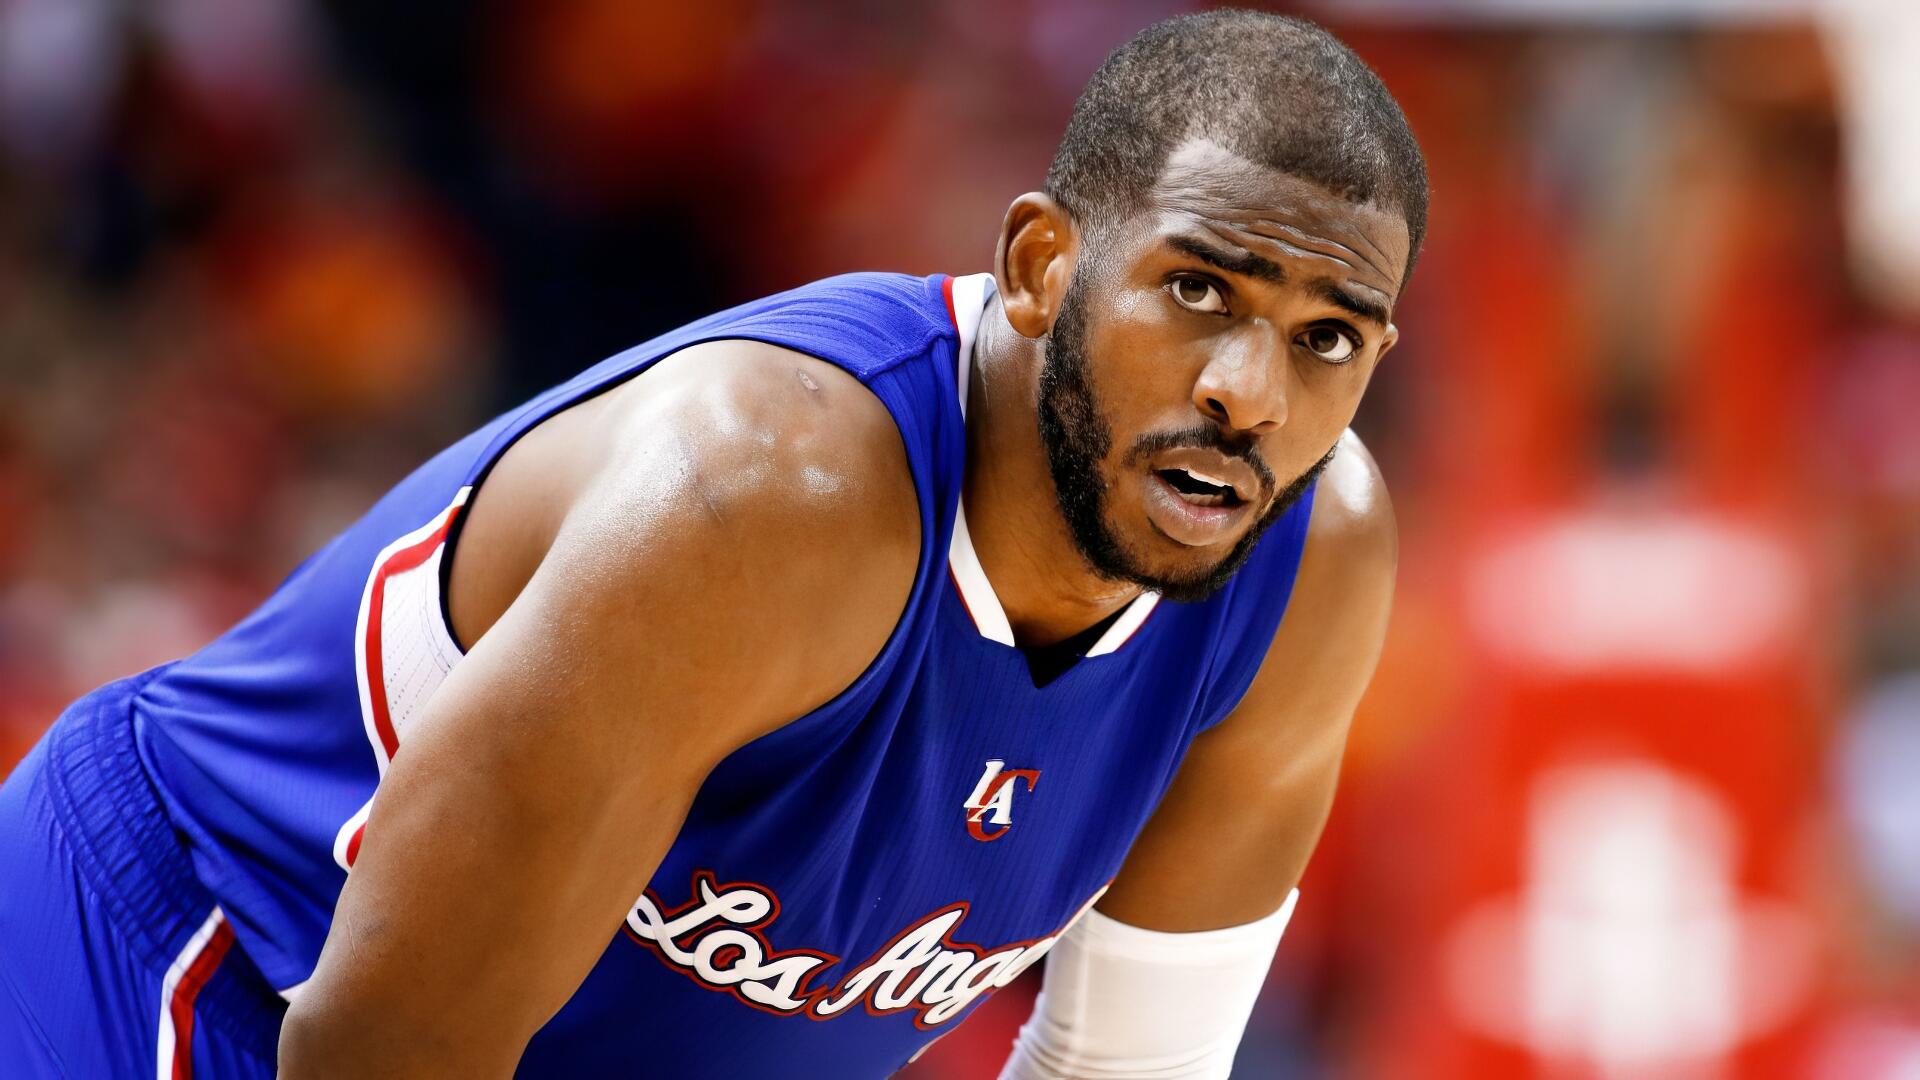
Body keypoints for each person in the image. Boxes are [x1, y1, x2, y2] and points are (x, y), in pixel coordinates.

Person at [0, 10, 1426, 1078]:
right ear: (1043, 266)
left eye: (1325, 339)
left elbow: (1127, 1065)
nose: (1249, 389)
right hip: (191, 960)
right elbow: (380, 1051)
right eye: (1194, 288)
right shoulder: (768, 500)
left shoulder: (1313, 563)